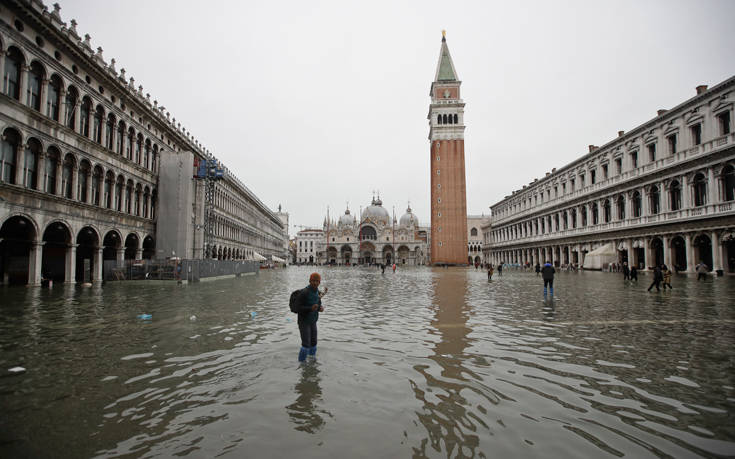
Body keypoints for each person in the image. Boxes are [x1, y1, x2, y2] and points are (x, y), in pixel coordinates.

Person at [296, 273, 327, 362]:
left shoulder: (318, 292)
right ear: (309, 281)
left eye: (317, 281)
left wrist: (320, 309)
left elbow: (318, 304)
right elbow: (298, 308)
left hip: (313, 320)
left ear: (319, 282)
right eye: (313, 281)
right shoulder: (304, 292)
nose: (315, 283)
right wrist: (310, 308)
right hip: (304, 321)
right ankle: (302, 364)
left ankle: (312, 360)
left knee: (313, 343)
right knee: (305, 344)